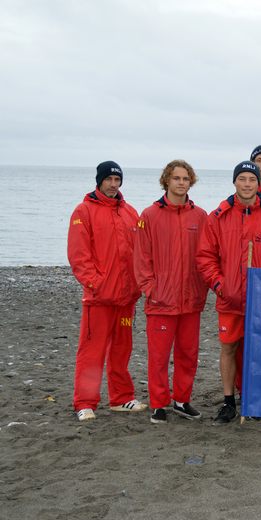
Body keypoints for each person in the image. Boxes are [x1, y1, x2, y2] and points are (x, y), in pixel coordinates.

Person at [196, 161, 261, 424]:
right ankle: (228, 401)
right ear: (235, 182)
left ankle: (252, 397)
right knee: (228, 348)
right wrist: (219, 285)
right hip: (230, 298)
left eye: (252, 179)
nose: (247, 184)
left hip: (260, 299)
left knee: (256, 350)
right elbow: (205, 257)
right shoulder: (218, 216)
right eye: (242, 179)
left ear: (259, 183)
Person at [68, 161, 145, 421]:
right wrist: (94, 284)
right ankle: (85, 402)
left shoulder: (130, 212)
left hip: (126, 297)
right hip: (99, 298)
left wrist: (138, 283)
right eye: (109, 179)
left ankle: (121, 398)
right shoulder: (84, 211)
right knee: (92, 351)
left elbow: (140, 252)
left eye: (117, 180)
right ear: (99, 181)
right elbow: (79, 255)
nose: (113, 184)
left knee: (122, 349)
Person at [135, 160, 208, 424]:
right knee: (159, 356)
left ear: (191, 182)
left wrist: (203, 286)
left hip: (191, 299)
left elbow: (207, 255)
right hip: (161, 300)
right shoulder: (149, 216)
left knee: (188, 353)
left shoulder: (200, 216)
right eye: (176, 178)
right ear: (166, 180)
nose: (180, 182)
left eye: (185, 178)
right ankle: (158, 403)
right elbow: (141, 257)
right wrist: (150, 288)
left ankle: (181, 400)